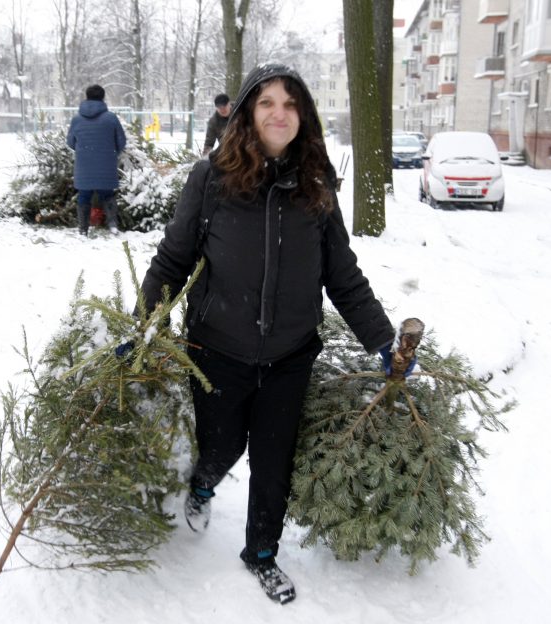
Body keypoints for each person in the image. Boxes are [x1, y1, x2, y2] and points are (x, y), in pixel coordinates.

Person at [139, 64, 406, 604]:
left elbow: (342, 274)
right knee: (221, 444)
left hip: (290, 354)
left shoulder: (317, 185)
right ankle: (203, 482)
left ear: (302, 115)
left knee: (273, 460)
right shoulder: (211, 179)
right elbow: (173, 259)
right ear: (246, 114)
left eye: (290, 103)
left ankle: (261, 552)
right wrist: (148, 324)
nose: (279, 113)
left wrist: (381, 339)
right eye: (267, 103)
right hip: (216, 348)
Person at [67, 84, 127, 235]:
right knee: (107, 194)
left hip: (84, 165)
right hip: (106, 164)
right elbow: (121, 141)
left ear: (86, 97)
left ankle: (83, 229)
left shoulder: (76, 119)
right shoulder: (111, 118)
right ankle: (112, 224)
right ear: (102, 98)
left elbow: (70, 142)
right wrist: (111, 153)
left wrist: (83, 152)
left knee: (84, 195)